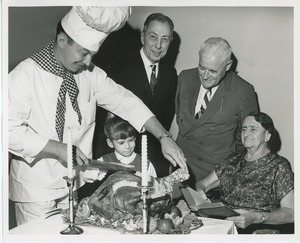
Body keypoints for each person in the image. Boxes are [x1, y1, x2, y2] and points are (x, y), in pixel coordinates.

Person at [8, 6, 187, 226]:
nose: (87, 62)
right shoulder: (24, 75)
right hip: (35, 191)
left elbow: (126, 102)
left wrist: (164, 137)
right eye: (84, 53)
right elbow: (7, 131)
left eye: (91, 55)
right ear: (62, 41)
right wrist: (56, 148)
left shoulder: (89, 74)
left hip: (73, 186)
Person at [93, 13, 177, 177]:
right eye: (153, 37)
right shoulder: (117, 64)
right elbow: (105, 120)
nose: (158, 45)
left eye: (165, 39)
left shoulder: (171, 73)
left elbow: (165, 118)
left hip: (153, 155)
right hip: (119, 153)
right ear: (142, 37)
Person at [175, 37, 259, 186]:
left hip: (213, 177)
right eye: (202, 67)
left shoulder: (243, 91)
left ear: (228, 66)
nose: (205, 76)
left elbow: (247, 141)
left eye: (213, 71)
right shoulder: (184, 77)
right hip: (179, 168)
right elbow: (180, 118)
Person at [196, 112, 294, 234]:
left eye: (253, 129)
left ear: (267, 136)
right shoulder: (233, 160)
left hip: (257, 231)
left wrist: (256, 218)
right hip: (223, 225)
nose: (246, 134)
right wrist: (199, 193)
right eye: (244, 129)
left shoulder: (278, 166)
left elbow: (291, 213)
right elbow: (203, 184)